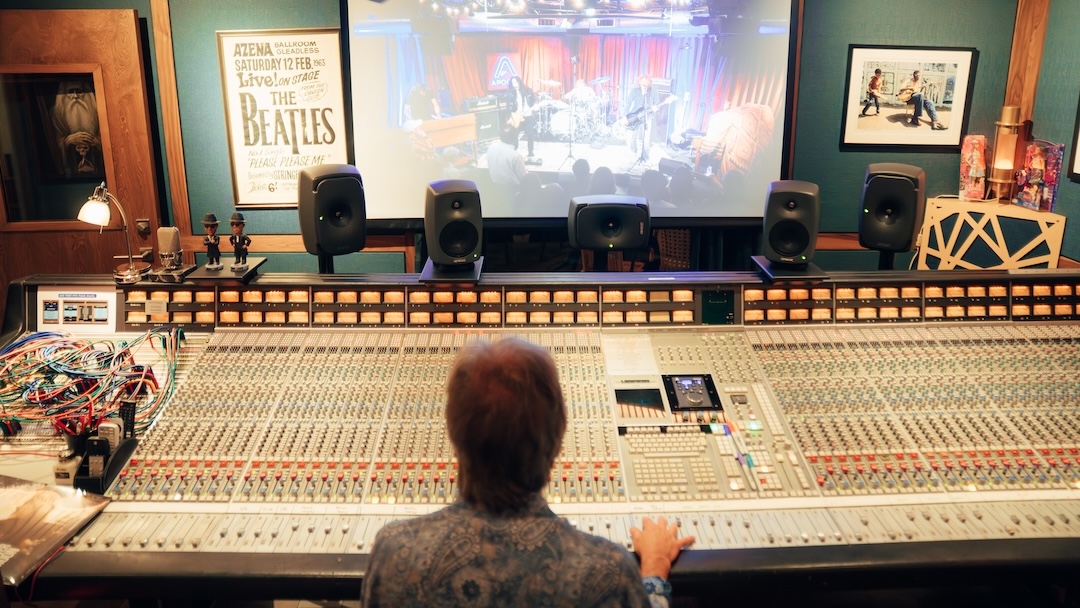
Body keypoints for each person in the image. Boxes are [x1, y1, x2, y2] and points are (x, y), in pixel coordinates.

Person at [362, 338, 694, 607]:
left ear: (453, 432)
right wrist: (654, 570)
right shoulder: (606, 571)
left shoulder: (394, 552)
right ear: (557, 436)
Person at [51, 78, 102, 178]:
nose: (75, 96)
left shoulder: (98, 112)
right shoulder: (56, 115)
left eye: (79, 91)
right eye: (70, 92)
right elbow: (57, 145)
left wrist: (96, 142)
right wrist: (69, 140)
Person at [506, 76, 540, 164]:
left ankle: (530, 152)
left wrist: (534, 107)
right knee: (515, 134)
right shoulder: (511, 93)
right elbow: (508, 106)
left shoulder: (528, 90)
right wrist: (509, 117)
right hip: (517, 116)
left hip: (528, 115)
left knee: (530, 134)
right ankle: (515, 151)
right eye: (513, 83)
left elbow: (534, 100)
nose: (515, 85)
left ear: (519, 82)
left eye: (516, 82)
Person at [624, 75, 658, 161]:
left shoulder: (652, 91)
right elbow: (627, 103)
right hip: (635, 117)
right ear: (639, 83)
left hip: (647, 117)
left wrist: (655, 108)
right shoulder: (635, 91)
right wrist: (625, 115)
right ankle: (633, 152)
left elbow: (657, 104)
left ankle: (645, 157)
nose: (643, 84)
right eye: (642, 82)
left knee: (646, 139)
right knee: (633, 136)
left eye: (645, 82)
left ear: (648, 83)